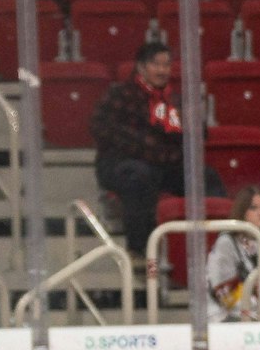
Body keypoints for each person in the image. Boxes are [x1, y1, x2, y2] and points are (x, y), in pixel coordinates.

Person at [93, 42, 220, 256]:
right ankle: (140, 252)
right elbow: (100, 127)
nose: (162, 71)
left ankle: (219, 246)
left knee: (207, 177)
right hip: (120, 163)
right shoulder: (120, 93)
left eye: (167, 65)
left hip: (164, 164)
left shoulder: (175, 100)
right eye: (156, 64)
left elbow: (199, 134)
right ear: (141, 67)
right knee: (140, 175)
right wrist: (150, 147)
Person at [206, 184, 260, 320]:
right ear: (242, 211)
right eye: (253, 208)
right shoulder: (226, 242)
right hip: (226, 315)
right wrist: (255, 303)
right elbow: (222, 292)